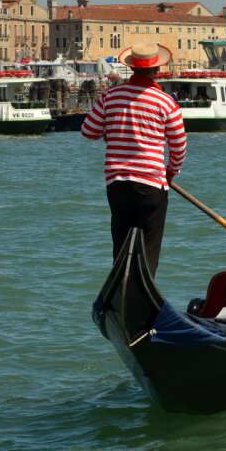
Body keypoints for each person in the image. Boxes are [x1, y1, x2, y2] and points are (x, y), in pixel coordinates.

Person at [81, 41, 187, 275]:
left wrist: (109, 132)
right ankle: (141, 294)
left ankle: (120, 291)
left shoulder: (110, 96)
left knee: (121, 245)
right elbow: (179, 146)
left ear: (132, 68)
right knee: (148, 251)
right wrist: (170, 172)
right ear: (156, 70)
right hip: (151, 184)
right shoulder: (166, 102)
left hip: (117, 183)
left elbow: (88, 131)